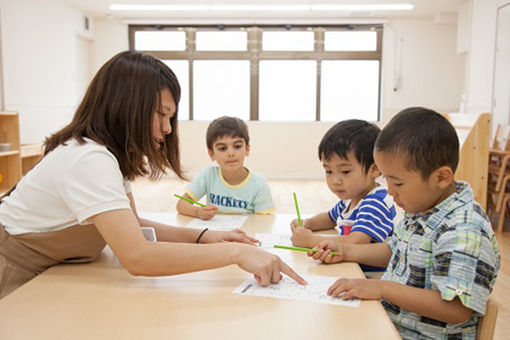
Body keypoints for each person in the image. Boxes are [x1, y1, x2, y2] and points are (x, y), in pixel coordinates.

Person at [0, 51, 305, 299]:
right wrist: (234, 253)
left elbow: (132, 224)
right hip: (15, 273)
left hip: (50, 270)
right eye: (161, 114)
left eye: (171, 117)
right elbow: (137, 255)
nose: (168, 128)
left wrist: (204, 236)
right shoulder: (88, 159)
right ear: (125, 105)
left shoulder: (109, 156)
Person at [309, 107, 500, 339]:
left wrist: (382, 288)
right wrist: (347, 251)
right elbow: (394, 250)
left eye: (397, 183)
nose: (390, 191)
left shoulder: (465, 230)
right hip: (391, 324)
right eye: (387, 180)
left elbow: (456, 309)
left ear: (441, 177)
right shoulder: (423, 207)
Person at [290, 120, 395, 260]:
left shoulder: (375, 203)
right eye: (328, 171)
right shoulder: (351, 199)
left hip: (367, 275)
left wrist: (310, 240)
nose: (335, 180)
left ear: (374, 169)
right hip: (349, 265)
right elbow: (329, 218)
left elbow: (355, 242)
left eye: (345, 172)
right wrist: (308, 223)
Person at [176, 116, 275, 220]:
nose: (231, 153)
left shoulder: (259, 185)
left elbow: (264, 221)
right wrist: (198, 212)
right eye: (222, 148)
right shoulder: (208, 176)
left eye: (237, 146)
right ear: (211, 154)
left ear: (247, 149)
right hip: (216, 234)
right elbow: (181, 204)